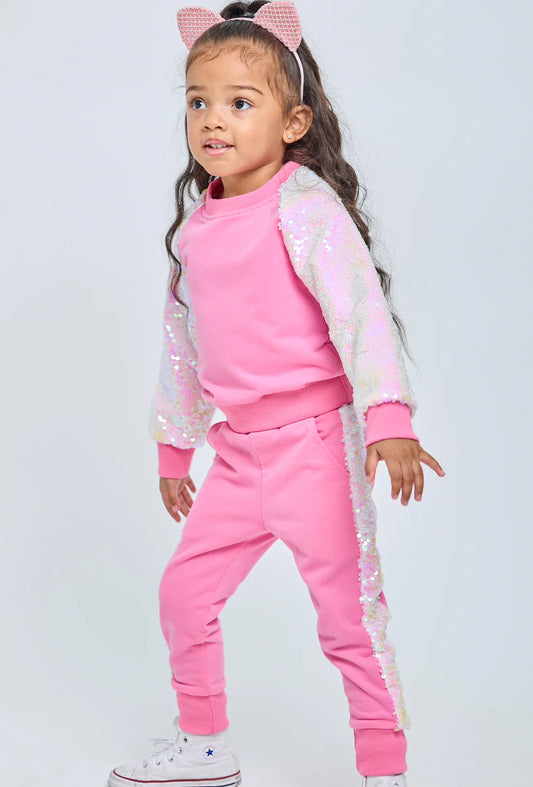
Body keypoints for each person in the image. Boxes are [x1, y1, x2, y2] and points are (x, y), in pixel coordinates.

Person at [107, 2, 445, 786]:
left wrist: (387, 419)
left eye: (239, 101)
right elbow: (182, 344)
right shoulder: (197, 228)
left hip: (316, 451)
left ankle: (384, 768)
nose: (212, 119)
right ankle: (204, 745)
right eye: (198, 100)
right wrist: (174, 446)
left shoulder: (305, 208)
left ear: (292, 122)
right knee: (183, 593)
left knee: (348, 619)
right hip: (237, 458)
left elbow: (359, 313)